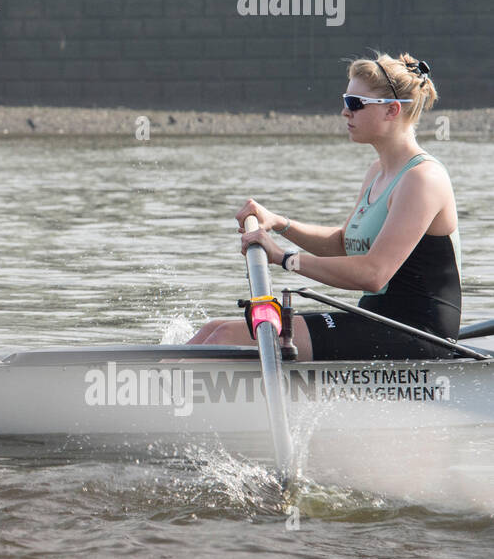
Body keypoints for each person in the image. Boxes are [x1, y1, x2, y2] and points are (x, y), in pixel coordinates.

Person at [189, 52, 461, 360]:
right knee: (212, 331)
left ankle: (156, 398)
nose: (345, 112)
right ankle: (152, 396)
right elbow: (343, 244)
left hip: (418, 334)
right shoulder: (378, 171)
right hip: (377, 323)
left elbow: (374, 273)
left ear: (392, 110)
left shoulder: (423, 178)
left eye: (356, 103)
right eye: (346, 100)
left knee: (226, 337)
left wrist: (283, 258)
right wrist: (280, 223)